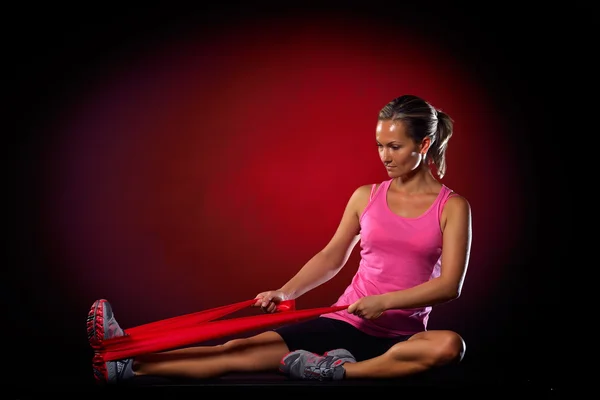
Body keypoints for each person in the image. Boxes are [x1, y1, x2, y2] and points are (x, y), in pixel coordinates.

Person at [87, 94, 472, 385]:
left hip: (402, 339)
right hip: (344, 323)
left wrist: (385, 302)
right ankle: (131, 362)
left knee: (449, 346)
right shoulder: (365, 196)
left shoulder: (452, 207)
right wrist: (287, 292)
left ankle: (340, 372)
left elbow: (449, 286)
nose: (384, 156)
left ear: (423, 146)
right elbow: (331, 256)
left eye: (395, 146)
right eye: (379, 145)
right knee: (237, 351)